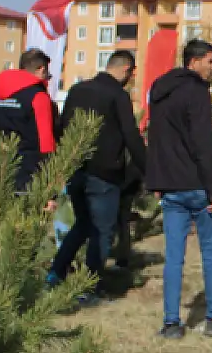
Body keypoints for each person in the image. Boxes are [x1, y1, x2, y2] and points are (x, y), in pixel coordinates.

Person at [146, 39, 212, 338]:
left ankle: (171, 323)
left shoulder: (158, 91)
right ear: (194, 61)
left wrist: (155, 181)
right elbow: (204, 144)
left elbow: (155, 139)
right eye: (210, 61)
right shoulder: (197, 92)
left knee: (173, 258)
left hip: (170, 187)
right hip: (198, 187)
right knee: (211, 255)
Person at [49, 49, 146, 296]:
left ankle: (55, 273)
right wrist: (148, 169)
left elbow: (62, 128)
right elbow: (131, 136)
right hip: (105, 174)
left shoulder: (77, 90)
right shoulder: (117, 95)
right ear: (126, 70)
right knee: (102, 231)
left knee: (82, 225)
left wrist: (64, 163)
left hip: (76, 170)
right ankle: (88, 289)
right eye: (132, 74)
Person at [0, 49, 58, 194]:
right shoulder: (38, 96)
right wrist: (50, 186)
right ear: (41, 69)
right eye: (47, 77)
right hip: (30, 180)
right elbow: (46, 144)